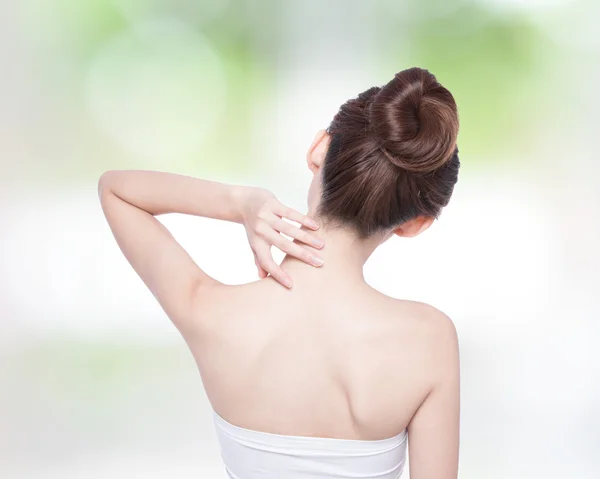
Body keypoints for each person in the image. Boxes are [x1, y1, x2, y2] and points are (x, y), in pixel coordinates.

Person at [98, 67, 461, 479]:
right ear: (416, 222)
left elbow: (116, 190)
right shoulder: (428, 340)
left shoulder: (211, 311)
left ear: (318, 150)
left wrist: (238, 202)